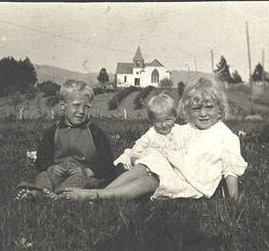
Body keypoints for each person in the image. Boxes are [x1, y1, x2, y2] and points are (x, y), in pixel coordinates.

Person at [61, 78, 248, 201]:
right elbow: (161, 140)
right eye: (197, 109)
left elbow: (230, 169)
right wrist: (137, 156)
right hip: (175, 170)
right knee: (147, 162)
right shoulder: (187, 129)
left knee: (151, 181)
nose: (204, 114)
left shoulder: (225, 136)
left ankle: (97, 196)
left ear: (220, 109)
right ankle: (104, 192)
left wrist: (234, 197)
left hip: (192, 183)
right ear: (188, 111)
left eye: (209, 108)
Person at [15, 79, 116, 200]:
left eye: (86, 107)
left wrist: (89, 171)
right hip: (58, 173)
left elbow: (107, 162)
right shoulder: (54, 131)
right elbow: (42, 156)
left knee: (84, 181)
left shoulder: (95, 132)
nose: (81, 111)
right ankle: (36, 193)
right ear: (63, 106)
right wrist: (49, 167)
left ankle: (62, 195)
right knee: (44, 176)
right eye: (76, 106)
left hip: (82, 175)